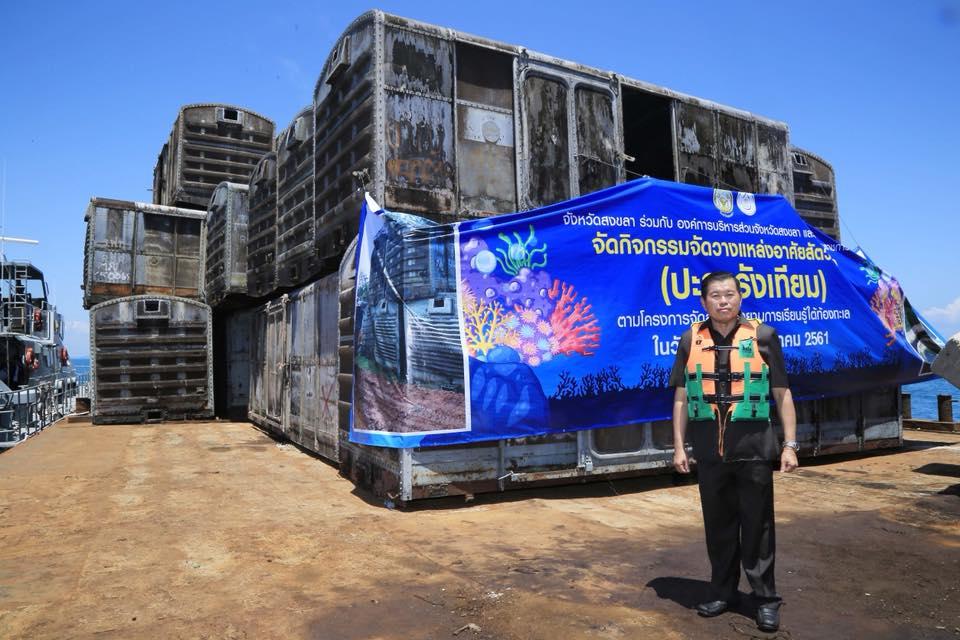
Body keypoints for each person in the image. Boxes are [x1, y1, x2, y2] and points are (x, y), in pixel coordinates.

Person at [670, 270, 799, 633]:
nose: (723, 301)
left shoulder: (765, 336)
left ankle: (765, 599)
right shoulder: (690, 339)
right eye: (715, 295)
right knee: (718, 526)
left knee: (759, 527)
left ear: (740, 298)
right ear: (703, 301)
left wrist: (789, 445)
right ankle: (722, 591)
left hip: (754, 450)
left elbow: (782, 393)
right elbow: (681, 397)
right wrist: (679, 446)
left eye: (729, 294)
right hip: (710, 453)